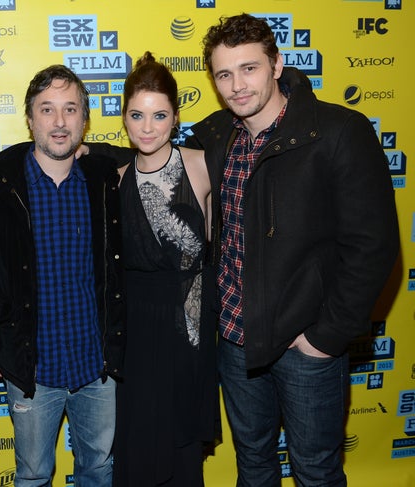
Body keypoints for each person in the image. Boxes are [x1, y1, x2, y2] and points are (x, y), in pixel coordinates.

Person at [185, 14, 400, 486]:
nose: (237, 86)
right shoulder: (218, 135)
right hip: (236, 340)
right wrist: (84, 151)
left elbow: (374, 247)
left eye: (249, 68)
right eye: (224, 74)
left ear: (277, 64)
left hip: (304, 344)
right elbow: (153, 150)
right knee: (254, 466)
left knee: (316, 471)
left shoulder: (338, 130)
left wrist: (325, 337)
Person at [0, 64, 125, 486]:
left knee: (99, 469)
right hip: (33, 369)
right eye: (47, 110)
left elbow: (152, 150)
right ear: (30, 118)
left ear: (85, 120)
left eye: (71, 109)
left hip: (97, 366)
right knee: (34, 474)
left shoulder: (104, 178)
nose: (59, 122)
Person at [109, 52, 219, 487]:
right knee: (138, 439)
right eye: (137, 115)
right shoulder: (115, 178)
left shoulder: (203, 165)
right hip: (135, 330)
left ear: (175, 118)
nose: (147, 127)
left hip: (190, 325)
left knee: (182, 444)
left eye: (159, 115)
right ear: (124, 118)